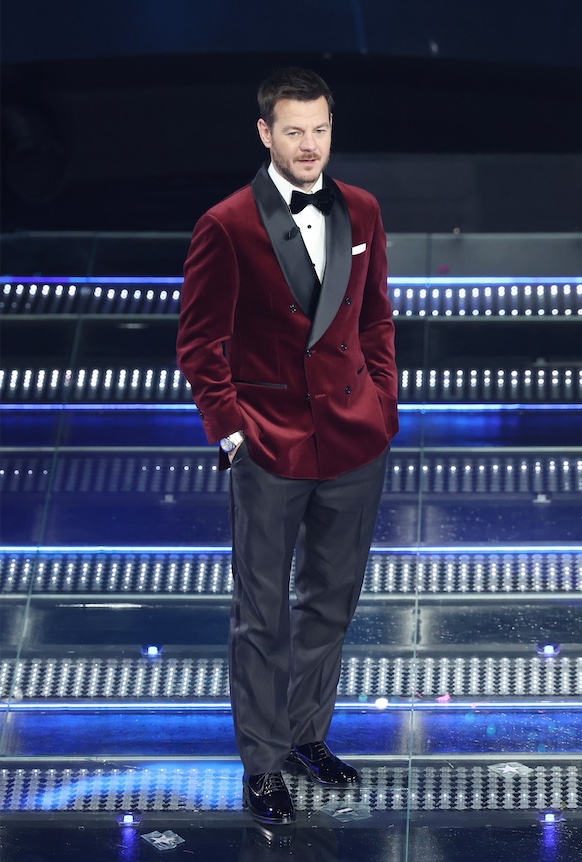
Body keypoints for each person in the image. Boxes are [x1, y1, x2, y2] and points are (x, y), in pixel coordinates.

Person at [176, 67, 398, 825]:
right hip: (270, 445)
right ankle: (263, 764)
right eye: (294, 131)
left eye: (320, 129)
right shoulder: (227, 223)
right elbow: (199, 343)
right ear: (265, 133)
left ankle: (306, 736)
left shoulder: (362, 208)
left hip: (354, 438)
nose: (310, 145)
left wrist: (383, 405)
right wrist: (231, 431)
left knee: (331, 603)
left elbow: (375, 318)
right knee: (262, 614)